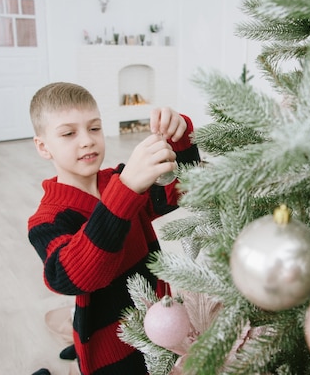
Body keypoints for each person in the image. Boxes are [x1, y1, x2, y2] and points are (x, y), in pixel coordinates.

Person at [27, 82, 200, 374]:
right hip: (111, 353)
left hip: (164, 324)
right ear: (43, 146)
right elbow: (72, 276)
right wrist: (126, 189)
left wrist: (179, 137)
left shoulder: (121, 179)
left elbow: (181, 200)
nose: (87, 141)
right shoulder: (47, 219)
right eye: (69, 133)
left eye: (94, 128)